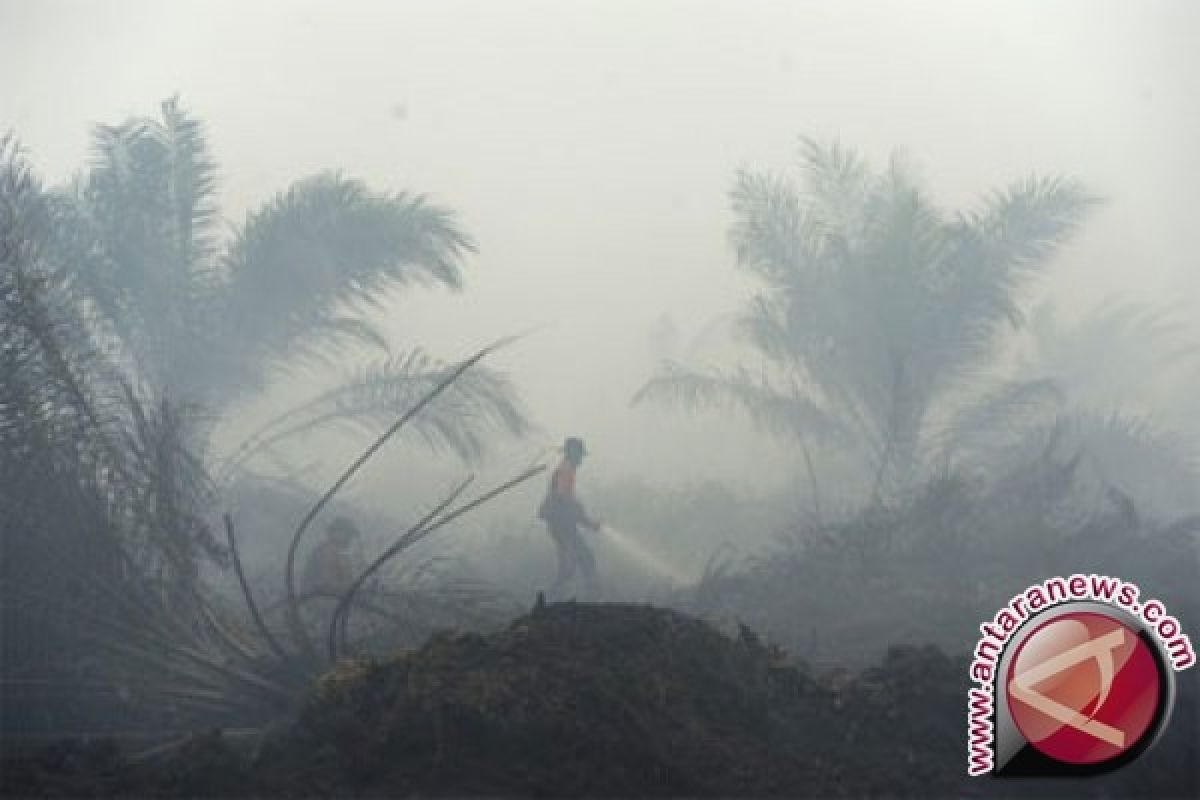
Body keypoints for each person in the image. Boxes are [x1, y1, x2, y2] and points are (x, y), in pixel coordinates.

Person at [538, 436, 602, 597]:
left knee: (575, 563)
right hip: (561, 524)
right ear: (573, 454)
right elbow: (563, 498)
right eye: (580, 455)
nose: (581, 459)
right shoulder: (566, 469)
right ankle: (589, 595)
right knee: (582, 559)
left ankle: (557, 597)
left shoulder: (566, 469)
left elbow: (568, 501)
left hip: (561, 523)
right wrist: (587, 520)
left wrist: (585, 519)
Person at [301, 516, 364, 597]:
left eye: (350, 535)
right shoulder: (325, 551)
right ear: (337, 533)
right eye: (349, 534)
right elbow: (326, 583)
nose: (350, 539)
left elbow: (346, 578)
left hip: (328, 597)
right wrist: (351, 588)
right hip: (317, 599)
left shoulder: (339, 554)